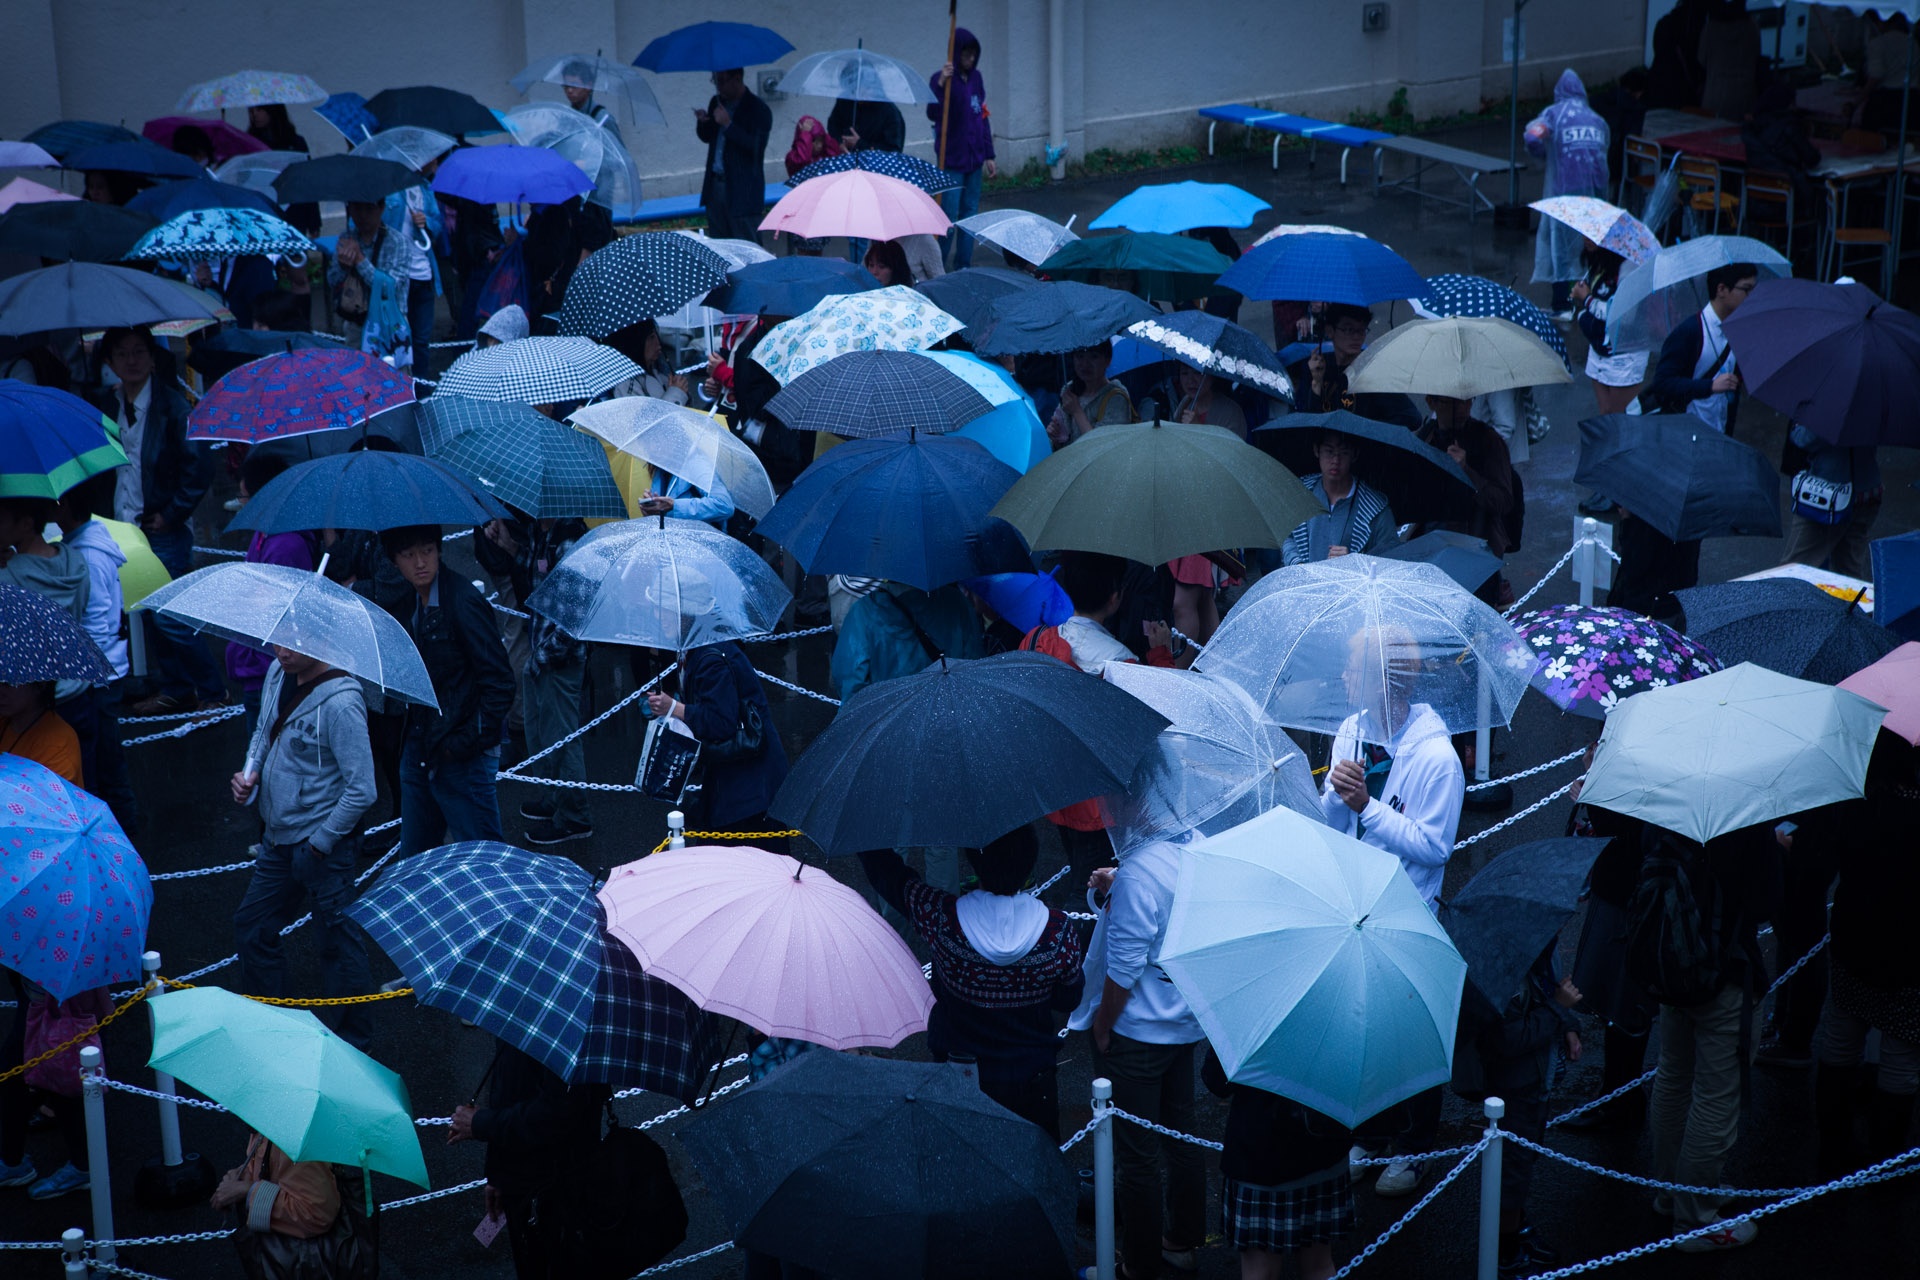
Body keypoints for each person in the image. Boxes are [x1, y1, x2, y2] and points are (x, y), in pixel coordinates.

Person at [1322, 624, 1464, 1198]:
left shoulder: (1438, 759)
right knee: (1364, 1032)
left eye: (1353, 668)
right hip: (1355, 906)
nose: (1344, 677)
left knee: (1410, 1037)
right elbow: (1333, 823)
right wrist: (1337, 797)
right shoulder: (1351, 730)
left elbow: (1436, 847)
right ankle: (1371, 1134)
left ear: (1384, 681)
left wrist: (1368, 806)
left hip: (1408, 914)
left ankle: (1415, 1149)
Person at [858, 826, 1085, 1136]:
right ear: (1030, 862)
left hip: (958, 1072)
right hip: (1032, 1078)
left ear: (974, 862)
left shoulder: (941, 917)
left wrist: (863, 832)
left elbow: (890, 875)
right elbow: (1068, 998)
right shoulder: (1058, 932)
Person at [1070, 839, 1208, 1280]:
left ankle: (1139, 1264)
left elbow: (1124, 969)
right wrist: (1119, 884)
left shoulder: (1139, 874)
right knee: (1181, 1133)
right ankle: (1184, 1240)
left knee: (1136, 1158)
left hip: (1136, 1035)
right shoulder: (1200, 850)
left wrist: (1103, 1025)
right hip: (1183, 1022)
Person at [1639, 820, 1780, 1251]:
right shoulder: (1748, 815)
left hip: (1673, 963)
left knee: (1674, 1076)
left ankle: (1670, 1193)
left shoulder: (1666, 800)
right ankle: (1696, 1219)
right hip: (1725, 971)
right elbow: (1765, 903)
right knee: (1717, 1095)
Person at [230, 644, 378, 1049]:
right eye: (277, 639)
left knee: (336, 945)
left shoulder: (343, 704)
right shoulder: (278, 673)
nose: (281, 651)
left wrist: (320, 843)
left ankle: (355, 1046)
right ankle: (276, 1027)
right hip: (276, 839)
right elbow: (263, 730)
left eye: (294, 643)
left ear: (320, 640)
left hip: (321, 848)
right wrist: (250, 773)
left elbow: (363, 789)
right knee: (252, 927)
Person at [1801, 731, 1920, 1175]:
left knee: (1841, 1038)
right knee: (1901, 1056)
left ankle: (1832, 1147)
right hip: (1910, 952)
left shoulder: (1859, 800)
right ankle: (1885, 1159)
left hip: (1854, 934)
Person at [380, 526, 515, 854]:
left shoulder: (463, 600)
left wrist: (463, 744)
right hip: (422, 746)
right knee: (415, 858)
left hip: (460, 753)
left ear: (439, 550)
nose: (420, 562)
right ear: (395, 561)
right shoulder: (411, 599)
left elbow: (500, 682)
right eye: (409, 555)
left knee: (484, 859)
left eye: (426, 550)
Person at [1453, 950, 1582, 1275]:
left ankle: (1515, 1229)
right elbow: (1506, 1041)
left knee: (1522, 1161)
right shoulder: (1500, 973)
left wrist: (1568, 1023)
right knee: (1510, 1172)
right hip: (1513, 1092)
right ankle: (1506, 1255)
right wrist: (1558, 1009)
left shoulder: (1539, 949)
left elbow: (1553, 987)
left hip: (1534, 1084)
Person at [448, 1038, 610, 1280]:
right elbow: (509, 1090)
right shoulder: (534, 1016)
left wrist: (479, 1124)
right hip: (525, 1183)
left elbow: (558, 1113)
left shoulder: (563, 1031)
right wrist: (498, 1174)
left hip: (553, 1193)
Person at [1202, 1045, 1353, 1280]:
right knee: (1319, 1265)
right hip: (1325, 1152)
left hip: (1261, 1161)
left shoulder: (1252, 1011)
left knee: (1261, 1271)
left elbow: (1216, 1080)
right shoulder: (1342, 1013)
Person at [499, 514, 594, 846]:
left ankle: (574, 817)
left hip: (558, 658)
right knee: (542, 733)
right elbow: (539, 579)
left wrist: (543, 656)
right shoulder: (543, 532)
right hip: (542, 649)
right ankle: (555, 799)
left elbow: (577, 615)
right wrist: (511, 547)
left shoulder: (567, 538)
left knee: (563, 738)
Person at [644, 641, 790, 851]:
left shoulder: (711, 659)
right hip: (743, 780)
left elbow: (721, 723)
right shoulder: (699, 649)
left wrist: (675, 708)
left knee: (752, 864)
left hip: (747, 786)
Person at [52, 479, 134, 827]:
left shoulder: (86, 555)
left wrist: (88, 675)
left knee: (105, 769)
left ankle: (124, 840)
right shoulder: (88, 544)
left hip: (99, 678)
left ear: (66, 508)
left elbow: (97, 622)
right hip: (106, 670)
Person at [225, 452, 316, 730]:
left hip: (268, 670)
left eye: (244, 497)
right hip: (257, 666)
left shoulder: (285, 546)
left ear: (263, 497)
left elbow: (275, 612)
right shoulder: (266, 534)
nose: (241, 504)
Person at [0, 970, 105, 1200]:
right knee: (38, 1078)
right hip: (46, 1001)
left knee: (54, 1081)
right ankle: (13, 1160)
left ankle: (81, 1166)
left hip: (54, 1006)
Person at [209, 1130, 368, 1280]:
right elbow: (270, 1164)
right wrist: (242, 1176)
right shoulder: (276, 1122)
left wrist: (248, 1190)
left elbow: (316, 1212)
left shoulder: (293, 1138)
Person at [1525, 70, 1610, 316]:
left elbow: (1532, 137)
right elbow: (1603, 158)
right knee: (1588, 246)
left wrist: (1543, 152)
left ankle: (1563, 304)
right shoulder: (1596, 119)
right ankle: (1589, 301)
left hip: (1563, 193)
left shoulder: (1554, 114)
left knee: (1560, 250)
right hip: (1594, 195)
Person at [831, 580, 986, 702]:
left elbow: (850, 681)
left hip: (889, 721)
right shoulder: (956, 601)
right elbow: (974, 661)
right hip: (952, 710)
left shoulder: (865, 611)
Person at [1649, 262, 1754, 435]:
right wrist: (1709, 386)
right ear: (1721, 290)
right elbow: (1662, 384)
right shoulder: (1690, 331)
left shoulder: (1738, 330)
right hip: (1685, 436)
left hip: (1720, 434)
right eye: (1746, 289)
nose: (1751, 296)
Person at [1414, 394, 1518, 562]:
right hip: (1430, 545)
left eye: (1468, 400)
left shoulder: (1488, 441)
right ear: (1432, 402)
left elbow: (1503, 502)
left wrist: (1466, 471)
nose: (1463, 408)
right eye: (1453, 403)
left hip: (1475, 545)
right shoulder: (1424, 438)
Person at [929, 28, 998, 271]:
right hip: (952, 159)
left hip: (974, 158)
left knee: (970, 215)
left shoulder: (977, 78)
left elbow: (982, 116)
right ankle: (939, 266)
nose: (970, 60)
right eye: (966, 55)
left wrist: (989, 153)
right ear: (956, 53)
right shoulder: (943, 79)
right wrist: (940, 85)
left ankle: (963, 265)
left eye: (973, 55)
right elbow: (933, 113)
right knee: (948, 215)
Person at [1284, 305, 1418, 427]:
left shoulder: (1373, 370)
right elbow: (1308, 420)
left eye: (1361, 330)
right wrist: (1316, 383)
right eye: (1348, 330)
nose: (1356, 337)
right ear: (1330, 331)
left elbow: (1411, 417)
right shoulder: (1318, 366)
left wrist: (1367, 430)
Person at [1281, 429, 1398, 565]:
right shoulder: (1300, 492)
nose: (1336, 460)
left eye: (1344, 452)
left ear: (1354, 455)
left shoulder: (1374, 508)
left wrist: (1355, 562)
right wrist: (1297, 563)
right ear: (1316, 450)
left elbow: (1390, 556)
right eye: (1329, 451)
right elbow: (1285, 535)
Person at [1779, 425, 1880, 581]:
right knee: (1848, 574)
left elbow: (1804, 438)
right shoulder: (1872, 405)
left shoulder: (1834, 406)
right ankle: (1852, 604)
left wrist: (1797, 427)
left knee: (1792, 571)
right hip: (1868, 492)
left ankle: (1786, 605)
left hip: (1828, 497)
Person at [696, 68, 773, 244]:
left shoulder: (758, 109)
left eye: (721, 81)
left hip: (742, 192)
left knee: (746, 245)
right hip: (716, 187)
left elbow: (755, 147)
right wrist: (702, 123)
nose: (718, 86)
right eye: (715, 81)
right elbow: (707, 137)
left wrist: (728, 125)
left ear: (736, 79)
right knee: (720, 247)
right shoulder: (716, 103)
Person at [382, 168, 445, 378]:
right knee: (399, 338)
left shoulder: (426, 189)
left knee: (421, 340)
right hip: (397, 275)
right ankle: (403, 388)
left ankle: (422, 389)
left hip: (424, 273)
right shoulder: (389, 188)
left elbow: (438, 226)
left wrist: (426, 222)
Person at [328, 200, 407, 357]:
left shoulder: (397, 241)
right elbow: (332, 281)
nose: (362, 215)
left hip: (390, 325)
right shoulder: (346, 238)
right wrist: (343, 268)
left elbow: (390, 288)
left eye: (369, 209)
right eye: (357, 208)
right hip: (356, 324)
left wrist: (360, 261)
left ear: (382, 207)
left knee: (393, 377)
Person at [1045, 342, 1135, 448]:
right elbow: (1063, 444)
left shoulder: (1116, 398)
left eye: (1094, 357)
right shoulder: (1070, 390)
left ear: (1108, 360)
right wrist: (1055, 437)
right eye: (1080, 356)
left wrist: (1077, 411)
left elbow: (1101, 447)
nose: (1085, 364)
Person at [247, 104, 318, 234]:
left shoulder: (295, 142)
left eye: (260, 110)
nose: (255, 115)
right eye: (251, 111)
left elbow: (307, 181)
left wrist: (314, 222)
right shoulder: (248, 145)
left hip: (294, 212)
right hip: (264, 213)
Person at [0, 680, 81, 784]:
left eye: (9, 684)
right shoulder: (5, 720)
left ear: (41, 684)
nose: (1, 691)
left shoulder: (57, 743)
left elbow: (45, 797)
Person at [1698, 0, 1762, 122]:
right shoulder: (1752, 27)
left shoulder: (1710, 28)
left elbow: (1702, 59)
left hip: (1716, 93)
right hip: (1745, 94)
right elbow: (1757, 56)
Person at [603, 318, 690, 404]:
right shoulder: (626, 384)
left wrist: (680, 389)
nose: (658, 343)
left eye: (657, 336)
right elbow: (644, 417)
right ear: (636, 343)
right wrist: (676, 392)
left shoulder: (660, 369)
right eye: (651, 337)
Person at [561, 60, 623, 144]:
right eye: (566, 85)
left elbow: (619, 152)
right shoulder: (567, 117)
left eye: (574, 85)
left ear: (588, 86)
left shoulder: (602, 119)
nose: (569, 90)